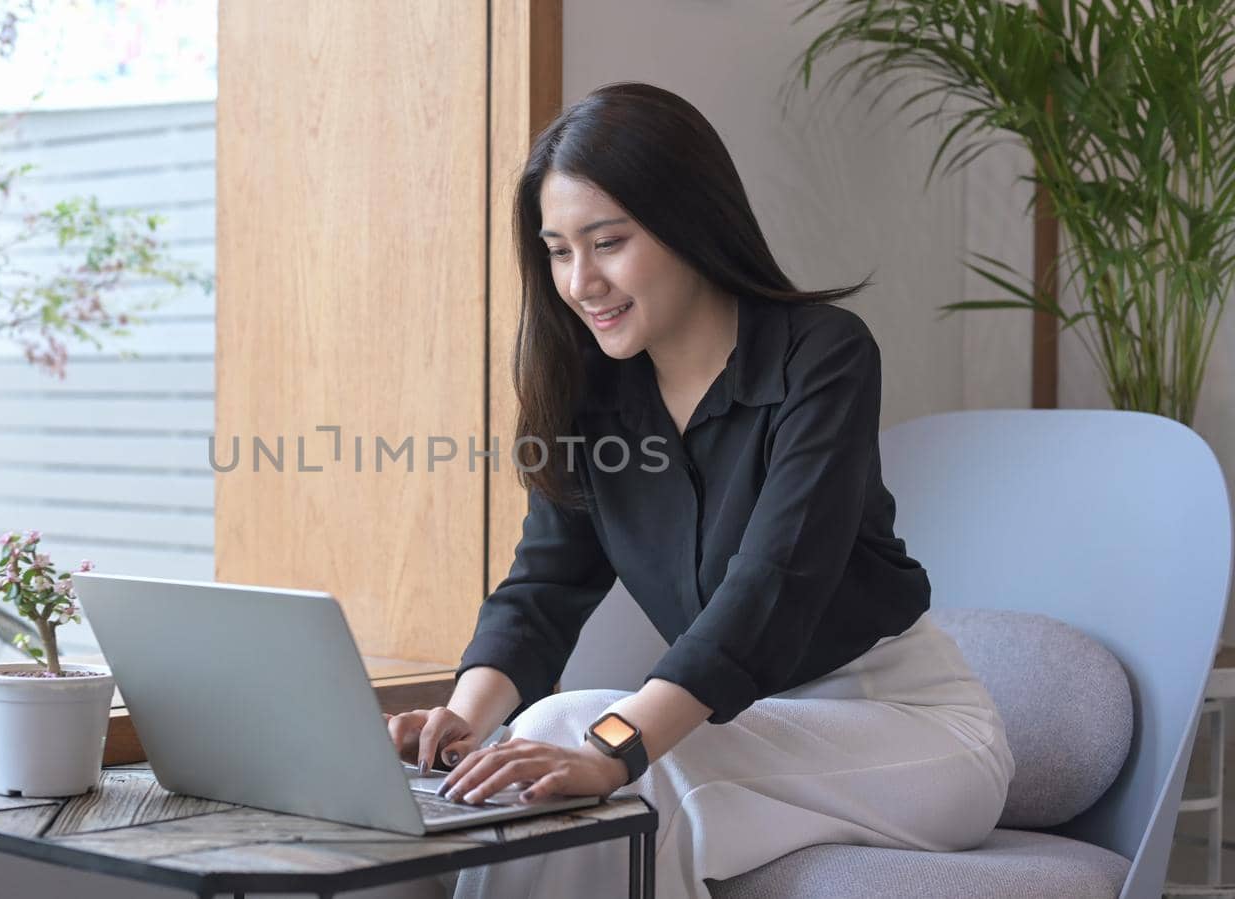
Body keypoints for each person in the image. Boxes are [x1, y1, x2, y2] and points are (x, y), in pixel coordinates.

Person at [380, 82, 1014, 899]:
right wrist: (463, 721)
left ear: (688, 222)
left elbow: (771, 585)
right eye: (559, 250)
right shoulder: (592, 392)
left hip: (908, 728)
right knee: (543, 735)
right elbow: (543, 585)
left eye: (607, 242)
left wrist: (614, 746)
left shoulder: (822, 358)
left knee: (614, 762)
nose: (581, 282)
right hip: (734, 723)